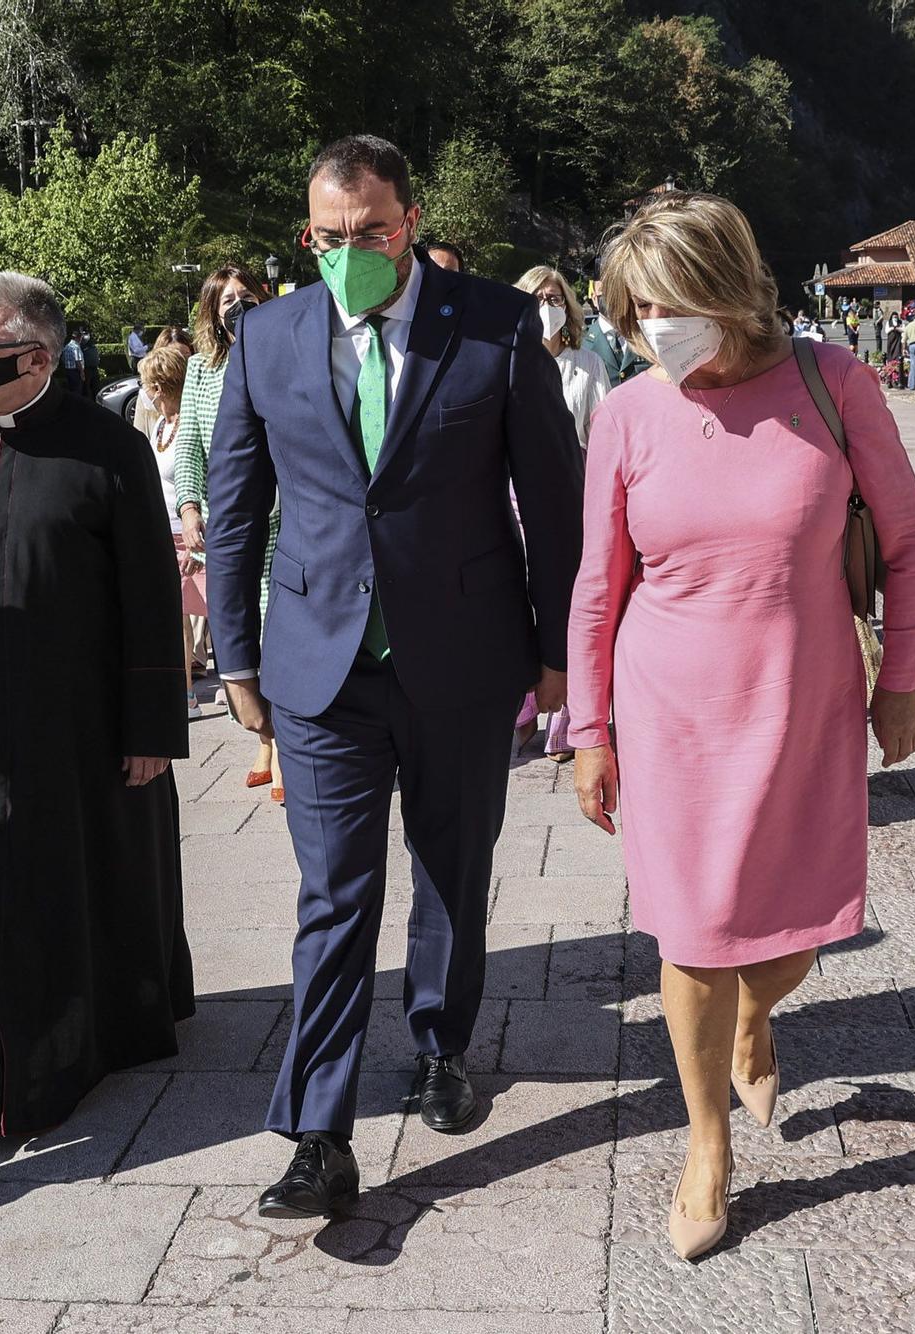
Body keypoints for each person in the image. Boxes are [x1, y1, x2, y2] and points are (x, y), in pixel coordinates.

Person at [206, 135, 583, 1217]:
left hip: (463, 658)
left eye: (370, 233)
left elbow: (552, 505)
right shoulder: (267, 336)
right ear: (305, 237)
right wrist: (235, 655)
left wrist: (557, 650)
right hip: (321, 671)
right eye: (329, 238)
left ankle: (438, 1042)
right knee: (333, 895)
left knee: (452, 869)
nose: (351, 253)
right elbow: (233, 509)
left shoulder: (496, 327)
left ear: (408, 221)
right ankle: (316, 1133)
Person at [570, 192, 915, 1261]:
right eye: (634, 311)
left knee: (797, 929)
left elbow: (907, 542)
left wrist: (900, 678)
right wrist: (587, 726)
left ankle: (753, 1013)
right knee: (692, 931)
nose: (653, 328)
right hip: (668, 711)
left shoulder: (834, 386)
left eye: (667, 303)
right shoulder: (629, 412)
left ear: (727, 289)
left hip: (803, 704)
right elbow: (598, 584)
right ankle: (704, 1145)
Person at [0, 271, 193, 1138]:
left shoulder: (107, 448)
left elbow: (150, 599)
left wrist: (152, 728)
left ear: (38, 356)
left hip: (73, 717)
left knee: (61, 885)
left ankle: (67, 1050)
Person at [173, 264, 282, 795]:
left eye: (247, 296)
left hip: (285, 522)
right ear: (213, 316)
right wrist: (189, 507)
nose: (239, 306)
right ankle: (266, 735)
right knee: (245, 638)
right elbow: (189, 445)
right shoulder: (200, 371)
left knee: (280, 632)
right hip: (230, 527)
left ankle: (283, 747)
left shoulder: (283, 356)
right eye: (227, 301)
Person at [514, 265, 611, 762]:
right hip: (516, 493)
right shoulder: (507, 361)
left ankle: (570, 712)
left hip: (575, 490)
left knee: (573, 599)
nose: (547, 307)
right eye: (536, 299)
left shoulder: (586, 364)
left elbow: (603, 436)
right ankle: (526, 704)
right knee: (525, 597)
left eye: (554, 298)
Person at [142, 345, 205, 717]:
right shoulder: (162, 426)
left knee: (223, 618)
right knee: (174, 618)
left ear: (164, 386)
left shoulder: (190, 425)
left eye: (151, 385)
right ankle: (185, 695)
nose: (147, 393)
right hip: (165, 534)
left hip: (194, 539)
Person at [60, 329, 84, 393]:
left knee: (71, 390)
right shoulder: (75, 347)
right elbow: (78, 361)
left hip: (68, 371)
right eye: (81, 338)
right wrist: (82, 373)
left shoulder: (67, 346)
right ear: (78, 338)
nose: (81, 340)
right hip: (75, 372)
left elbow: (62, 359)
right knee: (77, 390)